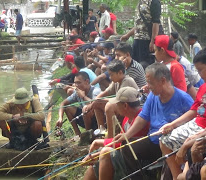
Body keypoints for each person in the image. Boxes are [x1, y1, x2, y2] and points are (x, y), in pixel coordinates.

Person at [112, 63, 193, 180]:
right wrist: (127, 135)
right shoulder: (153, 96)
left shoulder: (184, 99)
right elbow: (143, 117)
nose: (147, 86)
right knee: (127, 146)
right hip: (153, 142)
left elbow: (193, 121)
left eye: (150, 82)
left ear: (163, 80)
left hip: (172, 145)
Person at [82, 87, 149, 180]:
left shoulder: (141, 119)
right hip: (124, 152)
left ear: (125, 106)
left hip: (137, 161)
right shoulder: (127, 118)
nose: (115, 107)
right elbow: (118, 139)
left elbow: (123, 144)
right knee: (99, 157)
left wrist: (98, 144)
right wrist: (95, 152)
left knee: (105, 152)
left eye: (117, 104)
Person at [159, 49, 206, 179]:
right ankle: (177, 176)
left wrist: (188, 143)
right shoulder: (203, 87)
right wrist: (172, 125)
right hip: (196, 123)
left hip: (202, 129)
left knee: (192, 148)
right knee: (164, 140)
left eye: (201, 69)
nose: (199, 74)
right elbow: (194, 110)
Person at [86, 60, 138, 138]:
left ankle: (110, 136)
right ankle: (102, 129)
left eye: (111, 75)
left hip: (130, 107)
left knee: (109, 106)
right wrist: (94, 101)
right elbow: (106, 92)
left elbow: (119, 99)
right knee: (96, 103)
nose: (110, 77)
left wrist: (99, 101)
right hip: (122, 106)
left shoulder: (127, 81)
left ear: (120, 72)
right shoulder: (116, 82)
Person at [120, 0, 162, 67]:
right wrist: (127, 35)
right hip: (137, 39)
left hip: (147, 40)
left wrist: (153, 41)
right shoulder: (140, 2)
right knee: (134, 64)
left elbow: (156, 22)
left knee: (145, 65)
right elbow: (139, 25)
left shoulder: (154, 2)